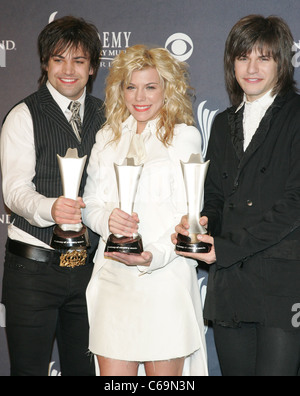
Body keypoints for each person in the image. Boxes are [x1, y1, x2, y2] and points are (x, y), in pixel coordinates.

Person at [172, 15, 300, 376]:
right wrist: (201, 221)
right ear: (232, 63)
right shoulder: (223, 121)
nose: (252, 68)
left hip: (282, 284)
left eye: (264, 57)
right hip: (231, 285)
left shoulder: (296, 115)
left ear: (281, 62)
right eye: (243, 57)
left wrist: (226, 248)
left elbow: (295, 204)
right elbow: (213, 194)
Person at [83, 45, 208, 376]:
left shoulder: (183, 138)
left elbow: (187, 217)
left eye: (150, 86)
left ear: (167, 89)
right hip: (112, 280)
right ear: (119, 89)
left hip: (164, 281)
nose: (140, 96)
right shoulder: (106, 138)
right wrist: (106, 220)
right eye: (131, 85)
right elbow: (90, 204)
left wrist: (152, 255)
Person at [0, 16, 105, 376]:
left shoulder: (107, 115)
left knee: (86, 371)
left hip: (90, 270)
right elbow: (14, 192)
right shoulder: (23, 115)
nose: (68, 70)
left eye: (78, 60)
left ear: (92, 67)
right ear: (45, 64)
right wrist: (50, 208)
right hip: (33, 271)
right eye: (58, 59)